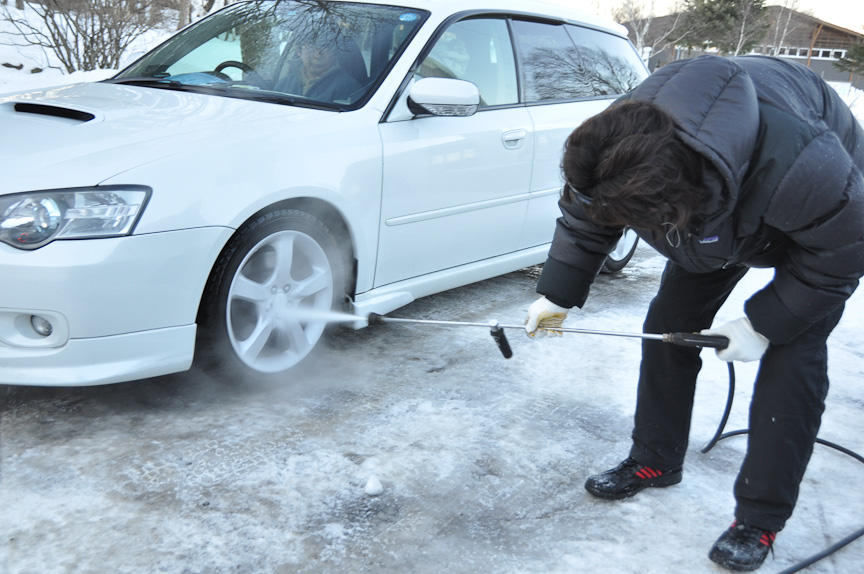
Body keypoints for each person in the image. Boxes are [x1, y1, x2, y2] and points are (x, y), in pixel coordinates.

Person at [524, 54, 864, 572]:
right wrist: (559, 294)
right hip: (713, 213)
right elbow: (586, 216)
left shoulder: (806, 164)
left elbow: (841, 253)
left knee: (792, 356)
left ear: (676, 201)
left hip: (816, 228)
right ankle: (655, 459)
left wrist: (763, 324)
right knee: (668, 325)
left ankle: (760, 517)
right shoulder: (612, 144)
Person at [275, 32, 362, 103]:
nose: (317, 55)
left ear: (335, 54)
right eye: (311, 48)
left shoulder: (349, 90)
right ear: (299, 51)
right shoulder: (284, 84)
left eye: (326, 48)